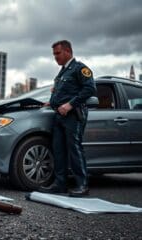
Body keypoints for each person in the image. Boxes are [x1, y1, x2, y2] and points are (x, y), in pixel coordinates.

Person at [39, 40, 96, 197]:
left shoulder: (80, 68)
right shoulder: (62, 72)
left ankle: (82, 186)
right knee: (59, 150)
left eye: (57, 53)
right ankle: (60, 184)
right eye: (54, 54)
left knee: (74, 149)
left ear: (68, 52)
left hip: (73, 115)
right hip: (59, 116)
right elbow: (63, 91)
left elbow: (90, 88)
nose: (55, 57)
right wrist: (51, 101)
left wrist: (70, 105)